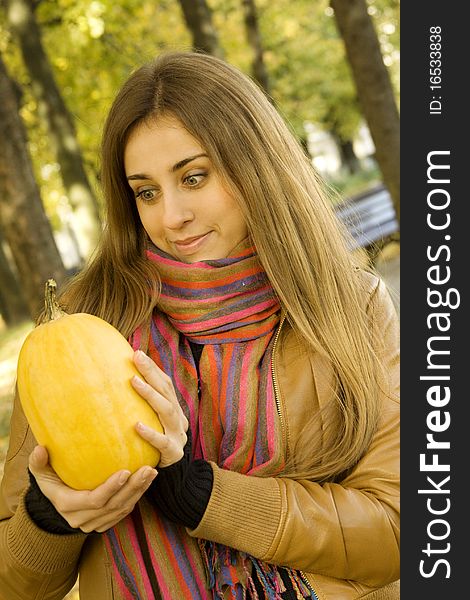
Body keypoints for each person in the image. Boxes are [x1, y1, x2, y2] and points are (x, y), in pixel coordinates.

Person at [0, 51, 399, 600]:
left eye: (194, 177)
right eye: (146, 191)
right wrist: (48, 519)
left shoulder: (351, 307)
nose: (170, 217)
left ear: (255, 165)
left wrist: (204, 494)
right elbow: (13, 583)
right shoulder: (80, 326)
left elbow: (401, 531)